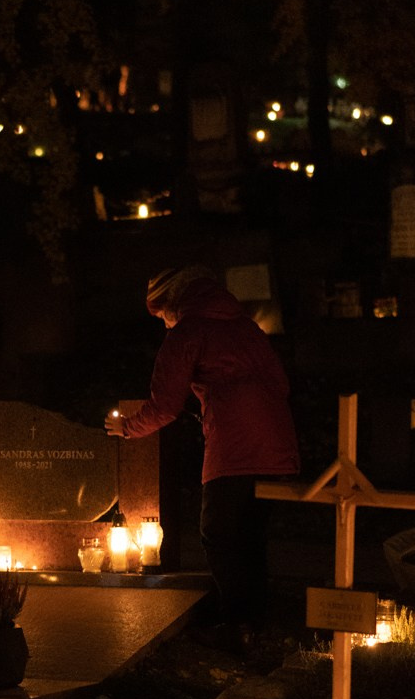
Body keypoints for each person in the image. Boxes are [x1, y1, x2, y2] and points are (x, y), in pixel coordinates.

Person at [105, 265, 299, 650]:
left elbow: (164, 406)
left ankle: (237, 624)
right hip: (279, 448)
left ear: (172, 303)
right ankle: (256, 625)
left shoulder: (188, 331)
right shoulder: (247, 327)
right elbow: (281, 383)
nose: (164, 326)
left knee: (218, 534)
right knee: (250, 537)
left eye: (162, 317)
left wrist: (127, 427)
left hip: (234, 449)